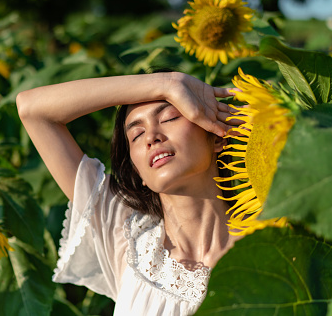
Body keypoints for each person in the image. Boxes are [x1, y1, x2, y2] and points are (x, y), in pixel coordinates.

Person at [16, 71, 242, 315]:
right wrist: (168, 84)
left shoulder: (271, 244)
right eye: (136, 135)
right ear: (138, 172)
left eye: (169, 118)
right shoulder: (128, 238)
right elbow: (32, 109)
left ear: (217, 136)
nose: (151, 137)